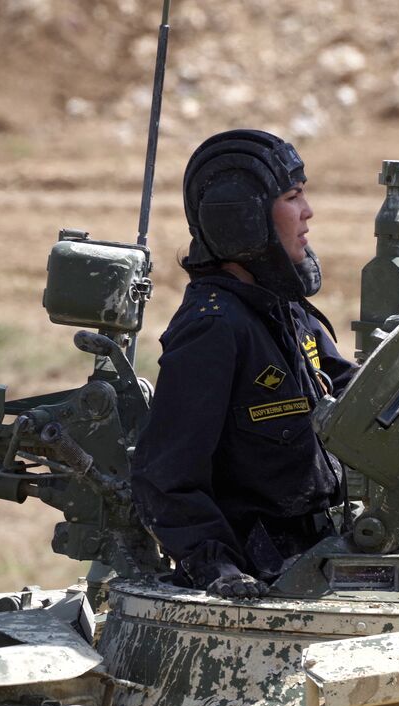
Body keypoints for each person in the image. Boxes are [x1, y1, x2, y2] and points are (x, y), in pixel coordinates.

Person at [131, 129, 356, 599]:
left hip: (318, 550)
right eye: (293, 197)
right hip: (263, 570)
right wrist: (217, 566)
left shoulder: (282, 310)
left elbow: (356, 394)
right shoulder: (213, 329)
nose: (308, 213)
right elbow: (166, 476)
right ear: (245, 218)